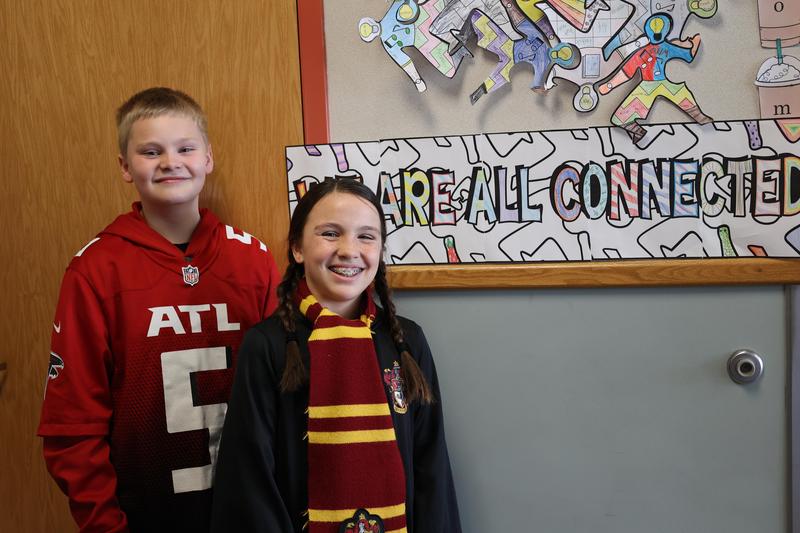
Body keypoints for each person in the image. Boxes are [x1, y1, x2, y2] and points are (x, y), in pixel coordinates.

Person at [37, 87, 281, 532]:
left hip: (250, 507)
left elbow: (283, 392)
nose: (171, 162)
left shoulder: (253, 261)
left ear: (208, 158)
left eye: (185, 148)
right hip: (146, 512)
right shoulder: (95, 270)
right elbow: (71, 423)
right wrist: (104, 523)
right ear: (125, 167)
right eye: (151, 151)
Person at [210, 178, 461, 532]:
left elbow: (431, 465)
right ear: (297, 248)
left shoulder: (407, 341)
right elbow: (249, 480)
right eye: (330, 233)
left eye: (366, 236)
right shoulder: (267, 346)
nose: (349, 249)